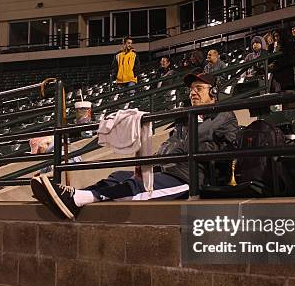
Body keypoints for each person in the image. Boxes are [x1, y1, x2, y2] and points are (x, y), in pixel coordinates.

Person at [31, 72, 239, 220]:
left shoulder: (224, 115)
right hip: (168, 170)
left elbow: (228, 149)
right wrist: (156, 160)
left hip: (192, 179)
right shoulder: (184, 117)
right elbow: (171, 144)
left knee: (138, 188)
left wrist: (184, 150)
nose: (193, 92)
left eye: (199, 88)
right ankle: (72, 195)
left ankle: (76, 198)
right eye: (191, 89)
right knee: (120, 176)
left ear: (214, 92)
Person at [268, 28, 295, 92]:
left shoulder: (289, 45)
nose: (276, 38)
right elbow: (269, 59)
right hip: (275, 76)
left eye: (277, 36)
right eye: (274, 36)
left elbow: (291, 59)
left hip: (286, 75)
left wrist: (277, 63)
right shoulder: (272, 47)